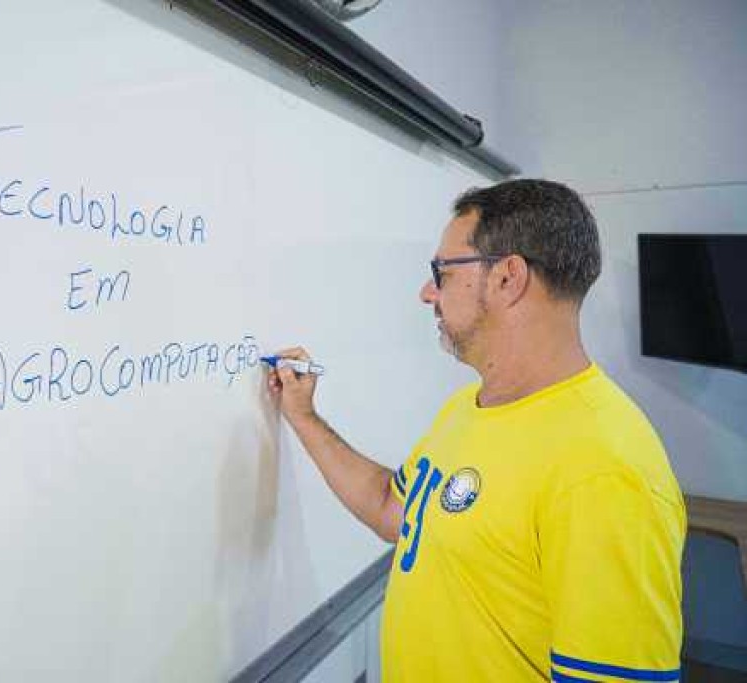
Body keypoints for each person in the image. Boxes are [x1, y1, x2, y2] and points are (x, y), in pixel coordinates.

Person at [267, 179, 685, 682]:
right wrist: (304, 417)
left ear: (508, 277)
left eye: (441, 273)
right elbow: (391, 509)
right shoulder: (468, 408)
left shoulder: (605, 468)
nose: (427, 293)